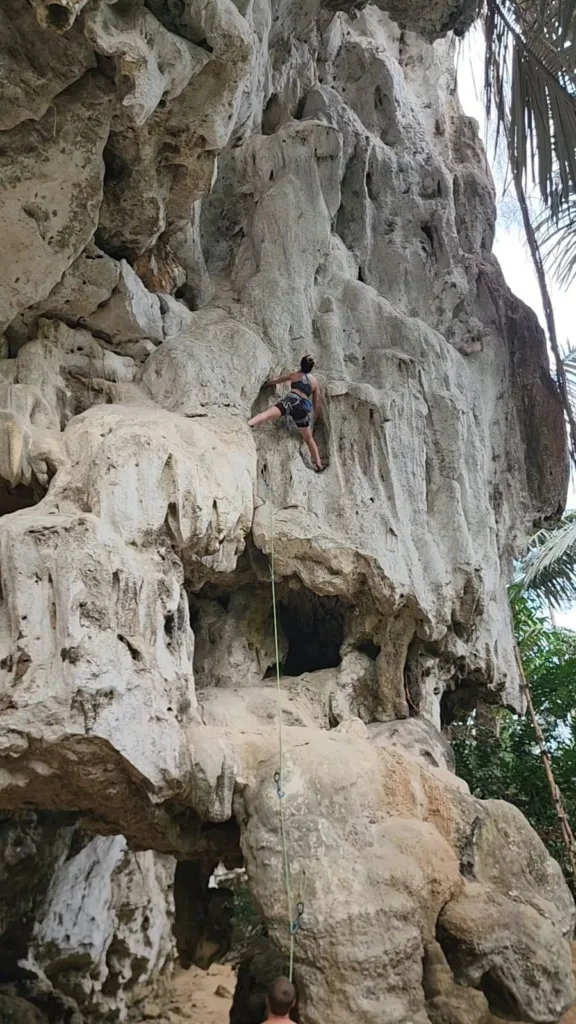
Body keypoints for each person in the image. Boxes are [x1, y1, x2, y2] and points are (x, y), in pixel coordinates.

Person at [248, 356, 325, 472]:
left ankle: (249, 423)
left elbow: (277, 380)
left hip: (290, 402)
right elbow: (316, 402)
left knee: (267, 414)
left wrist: (267, 383)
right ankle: (318, 464)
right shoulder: (314, 382)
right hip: (302, 408)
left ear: (301, 364)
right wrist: (315, 416)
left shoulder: (294, 375)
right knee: (308, 438)